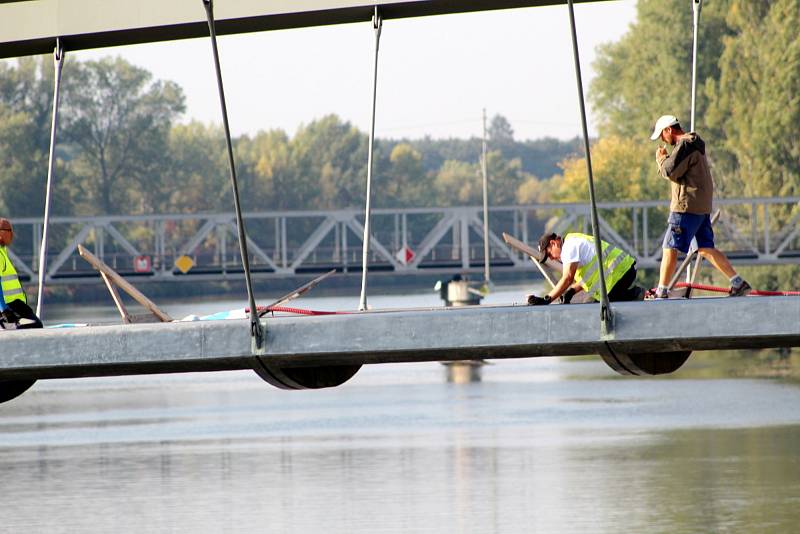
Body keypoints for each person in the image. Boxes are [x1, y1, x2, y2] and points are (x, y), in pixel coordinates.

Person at [650, 115, 750, 298]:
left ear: (668, 130)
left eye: (662, 136)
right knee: (704, 247)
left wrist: (661, 160)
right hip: (701, 207)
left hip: (686, 207)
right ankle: (737, 282)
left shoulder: (684, 145)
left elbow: (669, 171)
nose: (664, 141)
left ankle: (661, 291)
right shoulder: (694, 143)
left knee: (670, 247)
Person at [527, 232, 644, 305]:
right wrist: (572, 291)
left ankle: (634, 294)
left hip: (620, 272)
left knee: (600, 306)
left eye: (549, 254)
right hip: (624, 271)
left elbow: (567, 278)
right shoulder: (572, 242)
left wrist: (547, 299)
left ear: (553, 243)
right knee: (592, 303)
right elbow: (590, 276)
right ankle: (634, 295)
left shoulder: (568, 247)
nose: (551, 259)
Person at [0, 218, 42, 329]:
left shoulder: (3, 252)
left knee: (34, 324)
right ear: (2, 233)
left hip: (15, 304)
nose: (12, 235)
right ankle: (7, 326)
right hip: (10, 305)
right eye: (10, 231)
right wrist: (4, 309)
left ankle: (8, 325)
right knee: (36, 324)